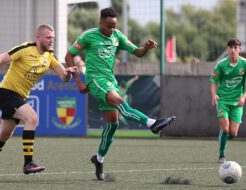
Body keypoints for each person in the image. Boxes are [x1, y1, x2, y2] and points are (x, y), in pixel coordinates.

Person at [65, 7, 176, 180]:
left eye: (114, 26)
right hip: (95, 80)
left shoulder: (118, 36)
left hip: (111, 81)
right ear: (100, 22)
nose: (111, 30)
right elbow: (68, 56)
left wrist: (145, 48)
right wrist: (79, 80)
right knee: (119, 102)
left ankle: (99, 159)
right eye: (108, 26)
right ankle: (152, 123)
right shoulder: (88, 36)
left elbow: (137, 53)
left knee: (113, 124)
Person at [0, 24, 77, 178]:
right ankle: (28, 163)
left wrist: (69, 73)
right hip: (6, 93)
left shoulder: (50, 56)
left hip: (19, 97)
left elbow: (63, 77)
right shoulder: (25, 49)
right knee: (32, 118)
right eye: (48, 37)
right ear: (38, 37)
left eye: (53, 38)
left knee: (5, 134)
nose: (52, 41)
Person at [210, 39, 246, 163]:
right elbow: (213, 81)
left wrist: (244, 96)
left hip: (237, 102)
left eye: (235, 47)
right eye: (230, 47)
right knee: (225, 129)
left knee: (233, 133)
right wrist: (214, 95)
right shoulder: (221, 64)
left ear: (240, 49)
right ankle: (221, 155)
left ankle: (223, 134)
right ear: (227, 49)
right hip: (223, 100)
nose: (233, 50)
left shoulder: (245, 64)